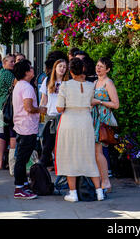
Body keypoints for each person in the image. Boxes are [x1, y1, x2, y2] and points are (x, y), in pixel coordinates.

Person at [54, 57, 101, 202]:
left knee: (69, 156)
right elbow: (90, 102)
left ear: (70, 71)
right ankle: (99, 192)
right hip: (85, 122)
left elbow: (60, 108)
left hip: (69, 122)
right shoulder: (90, 85)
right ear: (83, 69)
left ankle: (73, 193)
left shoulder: (65, 86)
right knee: (88, 156)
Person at [12, 59, 46, 199]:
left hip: (22, 126)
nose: (33, 70)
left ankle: (23, 184)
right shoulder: (26, 87)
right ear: (26, 72)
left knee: (22, 157)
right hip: (26, 127)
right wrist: (41, 109)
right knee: (22, 159)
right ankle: (19, 188)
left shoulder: (19, 85)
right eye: (30, 68)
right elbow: (28, 107)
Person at [91, 57, 119, 199]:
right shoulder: (95, 82)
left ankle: (106, 181)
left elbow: (116, 104)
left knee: (98, 152)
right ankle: (103, 181)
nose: (98, 68)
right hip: (94, 119)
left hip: (102, 121)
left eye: (101, 66)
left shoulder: (108, 83)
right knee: (96, 153)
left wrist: (99, 102)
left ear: (107, 69)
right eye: (97, 65)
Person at [39, 59, 69, 168]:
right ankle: (42, 169)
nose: (62, 69)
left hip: (63, 117)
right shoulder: (47, 81)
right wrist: (40, 115)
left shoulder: (68, 83)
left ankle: (60, 166)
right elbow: (44, 100)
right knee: (47, 145)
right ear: (55, 68)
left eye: (64, 67)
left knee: (62, 144)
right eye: (60, 66)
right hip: (50, 116)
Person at [0, 54, 15, 170]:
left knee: (1, 134)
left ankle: (0, 161)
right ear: (4, 63)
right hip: (7, 107)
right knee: (11, 133)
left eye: (14, 61)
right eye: (11, 62)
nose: (13, 63)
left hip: (0, 106)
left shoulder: (0, 73)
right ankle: (11, 162)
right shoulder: (8, 74)